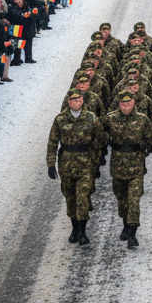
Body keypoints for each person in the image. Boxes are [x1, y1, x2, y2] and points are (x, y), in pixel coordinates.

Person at [46, 89, 106, 244]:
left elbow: (101, 139)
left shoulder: (91, 117)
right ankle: (75, 228)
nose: (76, 103)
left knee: (82, 197)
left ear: (82, 101)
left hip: (86, 163)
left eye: (78, 100)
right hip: (66, 164)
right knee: (70, 197)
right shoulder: (60, 119)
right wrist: (51, 164)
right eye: (73, 101)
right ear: (68, 102)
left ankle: (82, 231)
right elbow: (53, 142)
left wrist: (97, 157)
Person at [104, 90, 152, 249]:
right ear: (119, 104)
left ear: (133, 103)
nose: (125, 106)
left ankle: (133, 234)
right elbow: (99, 135)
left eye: (128, 103)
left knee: (134, 199)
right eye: (123, 103)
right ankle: (125, 225)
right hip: (118, 165)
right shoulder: (110, 118)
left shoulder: (142, 119)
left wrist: (148, 148)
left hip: (136, 166)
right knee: (122, 199)